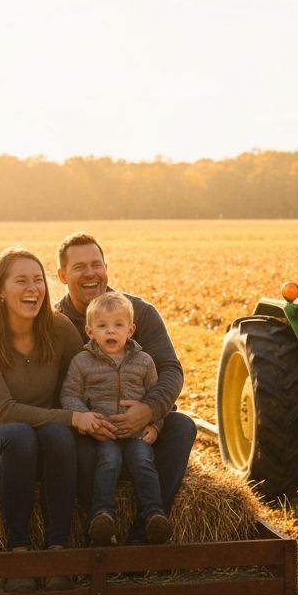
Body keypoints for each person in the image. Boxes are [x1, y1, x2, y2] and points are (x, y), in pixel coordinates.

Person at [0, 247, 103, 592]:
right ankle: (18, 556)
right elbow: (4, 412)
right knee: (19, 434)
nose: (32, 288)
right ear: (0, 290)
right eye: (21, 281)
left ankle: (57, 555)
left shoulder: (59, 329)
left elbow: (81, 383)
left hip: (35, 445)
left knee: (58, 437)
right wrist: (73, 417)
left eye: (38, 280)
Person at [55, 232, 196, 543]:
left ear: (106, 267)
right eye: (79, 267)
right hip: (87, 431)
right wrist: (83, 420)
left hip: (138, 433)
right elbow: (57, 388)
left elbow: (170, 370)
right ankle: (95, 524)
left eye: (96, 264)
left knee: (183, 426)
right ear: (63, 276)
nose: (90, 273)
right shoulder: (54, 321)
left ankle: (146, 530)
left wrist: (150, 412)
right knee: (60, 439)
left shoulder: (138, 312)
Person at [60, 291, 173, 547]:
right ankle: (102, 516)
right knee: (108, 461)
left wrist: (154, 425)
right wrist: (85, 417)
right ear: (90, 332)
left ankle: (154, 515)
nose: (110, 332)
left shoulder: (144, 362)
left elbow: (158, 400)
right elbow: (69, 394)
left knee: (143, 460)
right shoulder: (82, 362)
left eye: (118, 325)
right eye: (102, 326)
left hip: (137, 435)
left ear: (130, 329)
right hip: (104, 433)